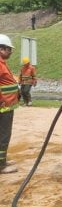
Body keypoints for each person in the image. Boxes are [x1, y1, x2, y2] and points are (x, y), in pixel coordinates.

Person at [0, 34, 19, 174]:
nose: (11, 52)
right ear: (1, 49)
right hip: (3, 106)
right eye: (9, 49)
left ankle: (3, 160)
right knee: (3, 134)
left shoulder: (2, 63)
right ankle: (1, 165)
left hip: (6, 105)